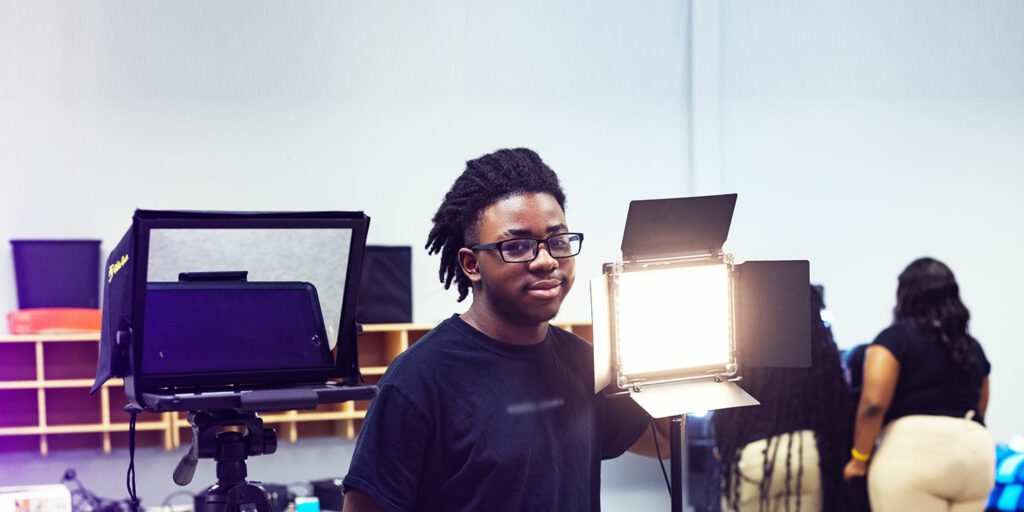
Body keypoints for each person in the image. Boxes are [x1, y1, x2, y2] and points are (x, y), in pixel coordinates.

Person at [342, 148, 655, 511]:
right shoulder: (418, 381)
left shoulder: (585, 363)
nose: (546, 261)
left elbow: (662, 436)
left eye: (557, 240)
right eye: (518, 246)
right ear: (471, 264)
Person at [843, 257, 994, 512]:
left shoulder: (893, 340)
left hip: (913, 454)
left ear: (904, 295)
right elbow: (981, 404)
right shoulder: (971, 347)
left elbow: (874, 404)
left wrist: (859, 459)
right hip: (975, 456)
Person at [713, 286, 852, 512]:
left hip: (751, 457)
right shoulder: (821, 355)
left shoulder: (743, 353)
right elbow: (837, 412)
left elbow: (724, 404)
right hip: (806, 455)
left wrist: (722, 444)